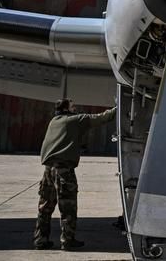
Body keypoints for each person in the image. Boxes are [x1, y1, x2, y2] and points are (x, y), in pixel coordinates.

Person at [33, 99, 116, 251]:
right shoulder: (75, 120)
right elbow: (103, 117)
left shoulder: (54, 121)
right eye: (72, 105)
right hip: (64, 171)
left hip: (48, 170)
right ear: (67, 109)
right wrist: (119, 107)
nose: (76, 107)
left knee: (45, 207)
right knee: (68, 207)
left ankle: (40, 240)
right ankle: (67, 240)